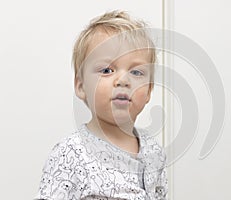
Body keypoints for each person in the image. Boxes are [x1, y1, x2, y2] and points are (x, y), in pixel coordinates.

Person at [34, 10, 167, 200]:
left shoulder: (154, 152)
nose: (123, 80)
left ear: (148, 91)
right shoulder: (71, 153)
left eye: (136, 72)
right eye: (107, 70)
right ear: (81, 86)